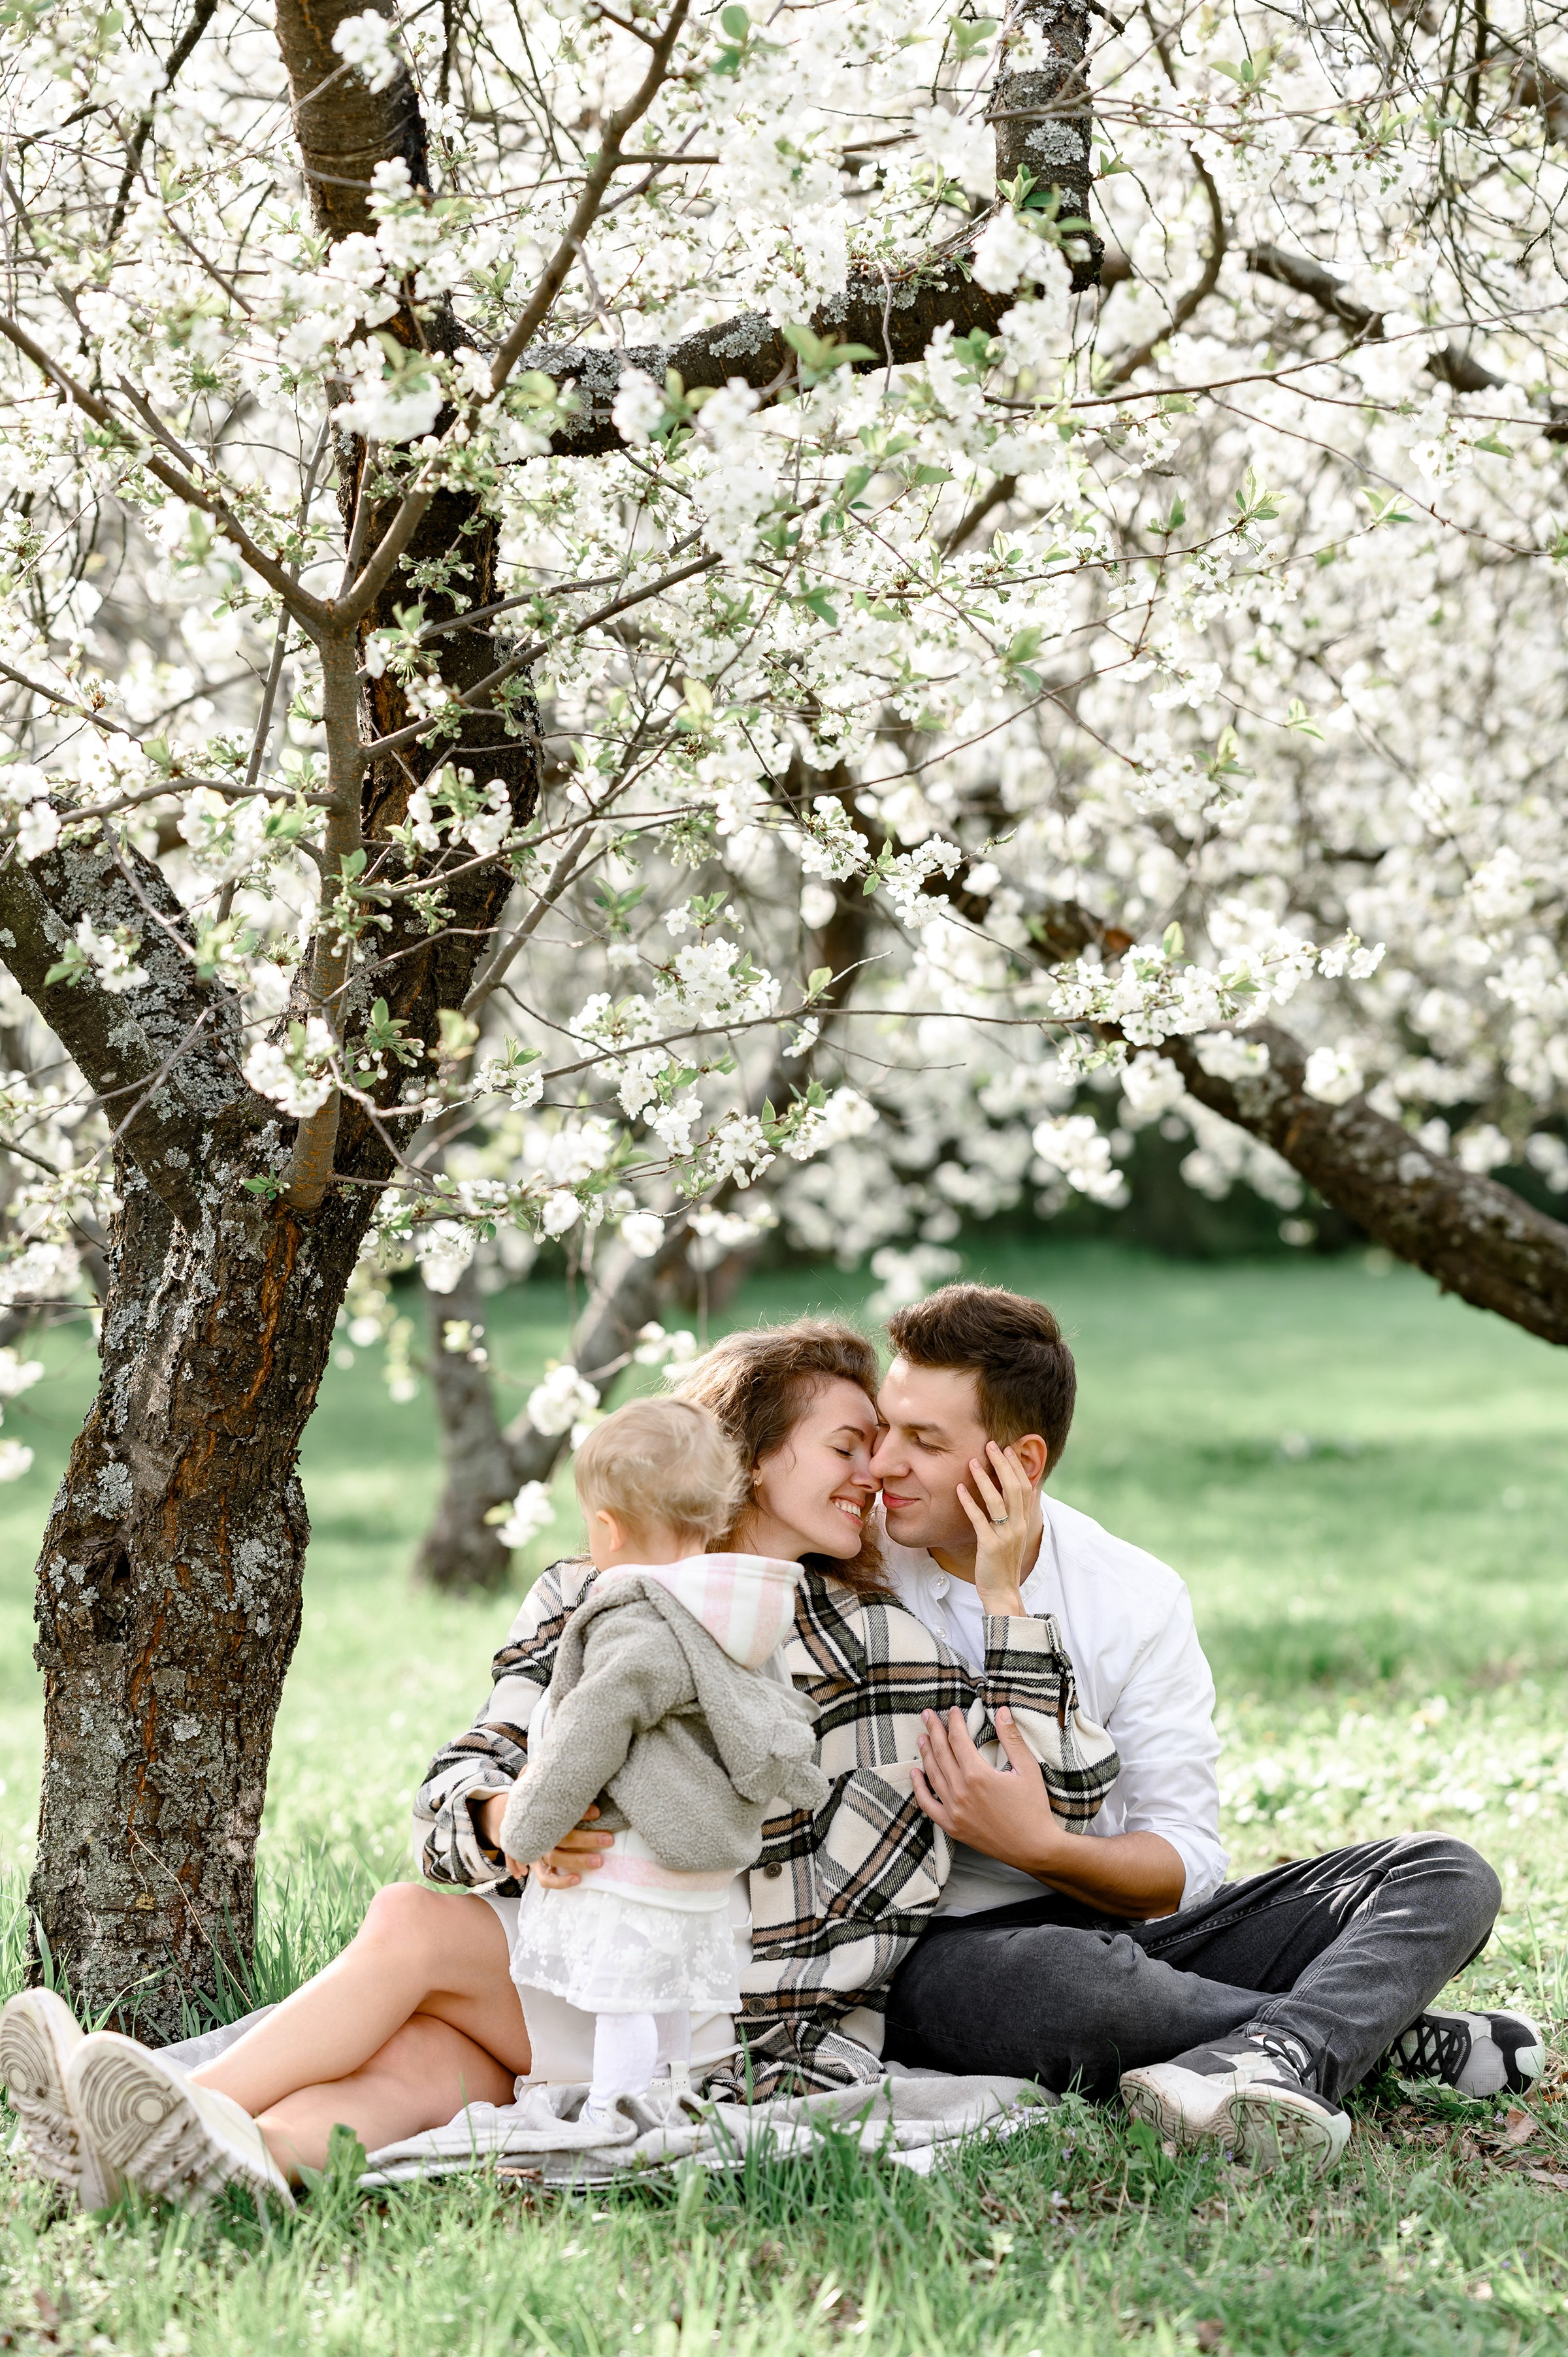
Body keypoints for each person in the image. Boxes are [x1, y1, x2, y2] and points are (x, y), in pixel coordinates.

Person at [0, 1317, 1116, 2211]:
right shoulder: (589, 1598)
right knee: (437, 2052)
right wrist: (494, 1821)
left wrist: (1007, 1597)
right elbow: (466, 1771)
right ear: (746, 1456)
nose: (876, 1471)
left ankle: (162, 2104)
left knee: (415, 1926)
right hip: (589, 1969)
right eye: (846, 1442)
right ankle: (240, 2154)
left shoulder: (888, 1645)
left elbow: (1061, 1804)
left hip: (736, 2021)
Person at [871, 1282, 1544, 2174]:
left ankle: (1281, 2045)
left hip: (1122, 1924)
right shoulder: (849, 1553)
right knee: (1078, 1990)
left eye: (923, 1441)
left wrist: (1042, 1845)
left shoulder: (1134, 1597)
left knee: (1448, 1873)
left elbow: (1183, 1860)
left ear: (1019, 1463)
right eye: (885, 1426)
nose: (882, 1462)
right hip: (950, 1952)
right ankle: (1334, 2040)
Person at [498, 1397, 826, 2125]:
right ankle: (667, 2092)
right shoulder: (730, 1611)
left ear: (606, 1528)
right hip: (700, 1849)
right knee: (667, 1984)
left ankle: (615, 2112)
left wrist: (526, 1826)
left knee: (624, 1997)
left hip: (638, 1844)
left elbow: (592, 1724)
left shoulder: (641, 1616)